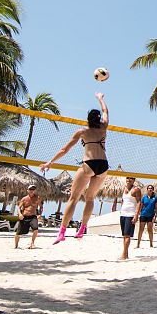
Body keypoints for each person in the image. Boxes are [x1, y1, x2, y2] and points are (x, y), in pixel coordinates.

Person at [40, 92, 110, 244]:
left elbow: (65, 150)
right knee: (90, 198)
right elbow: (105, 112)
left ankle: (62, 232)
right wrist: (100, 99)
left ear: (87, 120)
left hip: (89, 163)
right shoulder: (104, 127)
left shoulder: (82, 132)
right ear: (98, 120)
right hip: (103, 165)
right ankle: (82, 229)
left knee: (73, 198)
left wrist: (50, 162)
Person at [14, 184, 43, 249]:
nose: (32, 191)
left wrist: (39, 214)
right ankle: (16, 245)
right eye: (30, 189)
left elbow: (41, 207)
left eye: (33, 189)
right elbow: (19, 208)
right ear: (27, 190)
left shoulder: (37, 198)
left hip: (33, 217)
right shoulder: (24, 199)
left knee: (35, 229)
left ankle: (32, 243)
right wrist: (20, 214)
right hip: (24, 217)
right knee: (18, 233)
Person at [119, 177, 141, 259]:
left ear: (134, 180)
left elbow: (139, 202)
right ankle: (126, 254)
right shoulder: (124, 189)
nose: (129, 180)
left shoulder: (136, 189)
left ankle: (123, 255)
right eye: (127, 178)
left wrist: (136, 215)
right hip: (123, 214)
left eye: (131, 178)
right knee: (124, 235)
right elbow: (123, 201)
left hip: (130, 214)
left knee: (127, 235)